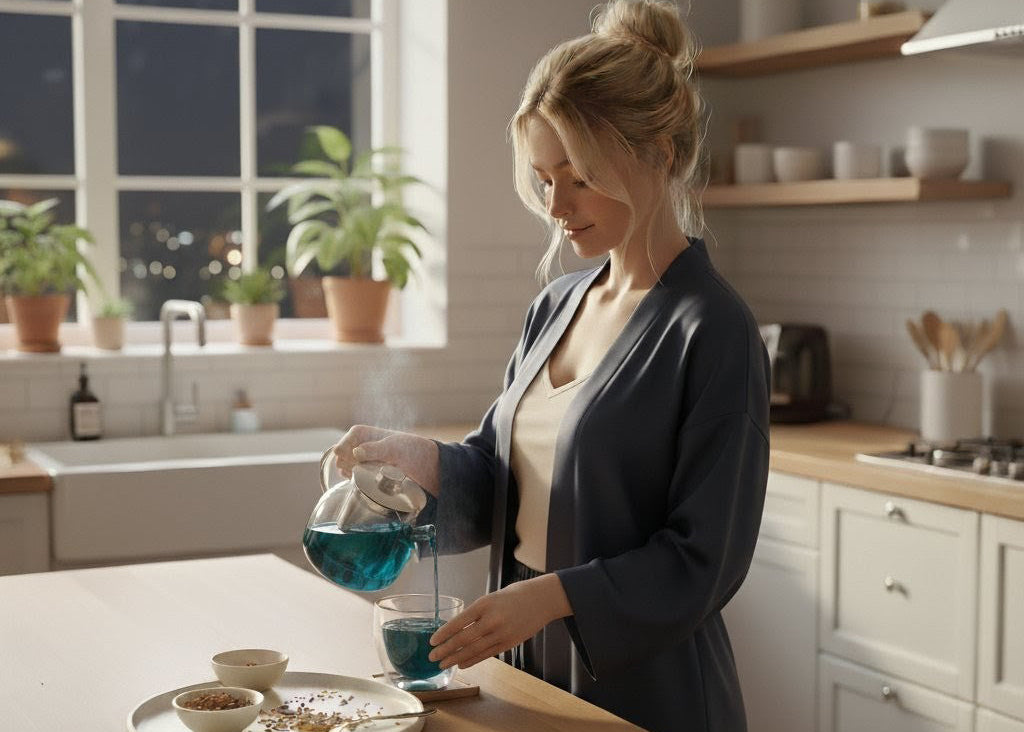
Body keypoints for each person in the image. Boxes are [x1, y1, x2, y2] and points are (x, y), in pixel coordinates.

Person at [332, 1, 770, 729]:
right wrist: (423, 462)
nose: (557, 206)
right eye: (543, 179)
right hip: (532, 676)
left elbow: (704, 562)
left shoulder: (712, 331)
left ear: (659, 152)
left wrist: (550, 598)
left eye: (579, 175)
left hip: (650, 697)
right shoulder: (557, 305)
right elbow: (510, 486)